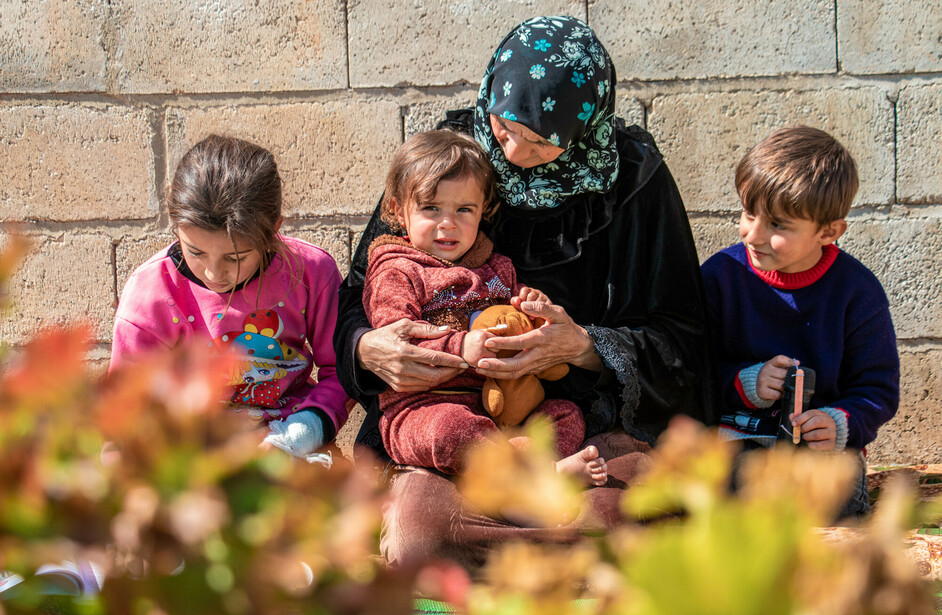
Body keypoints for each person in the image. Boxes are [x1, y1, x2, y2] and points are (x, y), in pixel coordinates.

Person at [334, 16, 713, 567]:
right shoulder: (451, 159)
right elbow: (360, 291)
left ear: (583, 131)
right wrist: (370, 349)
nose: (511, 152)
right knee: (422, 532)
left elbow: (683, 334)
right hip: (453, 415)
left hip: (575, 418)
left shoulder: (634, 179)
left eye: (540, 142)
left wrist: (583, 347)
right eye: (505, 127)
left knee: (638, 512)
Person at [363, 129, 608, 485]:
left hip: (506, 407)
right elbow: (396, 342)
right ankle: (537, 480)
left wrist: (535, 306)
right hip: (427, 405)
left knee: (566, 415)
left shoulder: (496, 266)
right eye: (431, 208)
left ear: (485, 211)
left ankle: (518, 474)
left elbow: (517, 310)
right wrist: (461, 348)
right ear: (399, 210)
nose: (448, 223)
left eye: (464, 209)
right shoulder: (397, 270)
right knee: (451, 431)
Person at [111, 135, 349, 465]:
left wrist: (297, 436)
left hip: (292, 439)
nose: (213, 273)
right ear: (175, 223)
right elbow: (126, 407)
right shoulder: (151, 293)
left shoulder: (310, 272)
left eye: (235, 258)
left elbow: (342, 370)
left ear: (273, 231)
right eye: (194, 251)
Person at [700, 126, 899, 514]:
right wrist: (743, 382)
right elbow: (687, 369)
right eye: (748, 214)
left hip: (819, 457)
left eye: (777, 225)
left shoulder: (857, 292)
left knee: (833, 502)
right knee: (732, 491)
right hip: (738, 440)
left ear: (829, 231)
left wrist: (841, 422)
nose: (752, 235)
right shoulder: (720, 277)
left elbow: (878, 389)